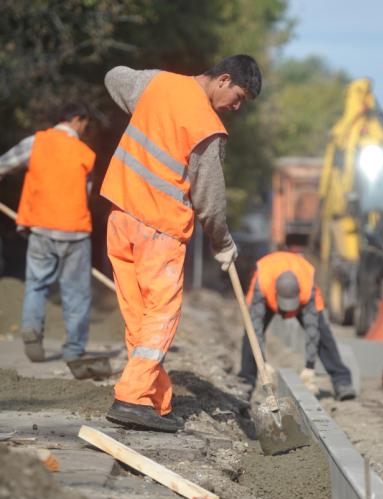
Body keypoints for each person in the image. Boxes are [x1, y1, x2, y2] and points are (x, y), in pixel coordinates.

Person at [100, 55, 262, 432]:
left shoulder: (158, 84)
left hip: (121, 216)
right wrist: (222, 243)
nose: (236, 106)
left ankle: (154, 400)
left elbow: (114, 75)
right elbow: (210, 200)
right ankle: (130, 398)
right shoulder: (207, 126)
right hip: (159, 229)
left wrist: (144, 105)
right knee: (160, 316)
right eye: (238, 96)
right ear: (223, 80)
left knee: (140, 317)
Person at [0, 102, 96, 363]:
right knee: (76, 292)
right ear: (77, 119)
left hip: (41, 228)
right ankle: (74, 350)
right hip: (74, 232)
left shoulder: (35, 143)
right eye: (85, 124)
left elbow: (3, 165)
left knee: (36, 284)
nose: (85, 129)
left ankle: (31, 328)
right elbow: (85, 196)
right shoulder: (86, 154)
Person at [239, 251, 356, 401]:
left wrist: (310, 367)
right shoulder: (263, 282)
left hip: (303, 297)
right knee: (250, 335)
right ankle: (246, 382)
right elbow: (255, 328)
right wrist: (263, 363)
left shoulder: (307, 287)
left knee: (322, 333)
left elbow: (312, 330)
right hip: (266, 295)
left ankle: (342, 381)